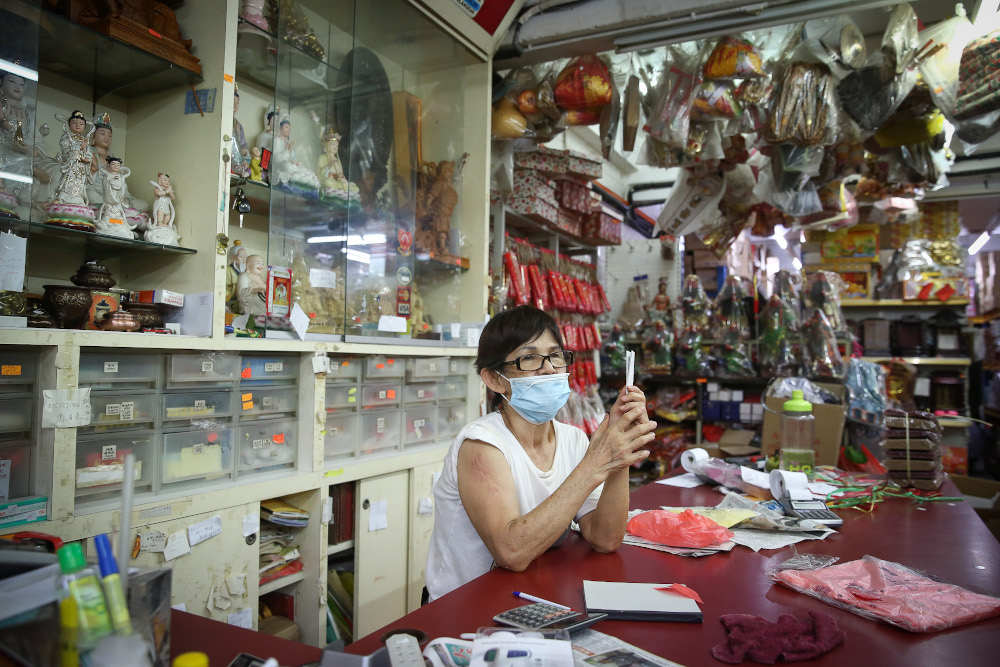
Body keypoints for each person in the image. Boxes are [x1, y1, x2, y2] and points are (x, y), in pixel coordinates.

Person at [425, 306, 655, 602]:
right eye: (530, 358)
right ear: (495, 379)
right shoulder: (482, 444)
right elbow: (511, 552)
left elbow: (605, 538)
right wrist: (596, 463)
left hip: (532, 599)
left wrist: (619, 450)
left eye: (556, 355)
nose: (549, 369)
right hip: (464, 606)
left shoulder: (572, 438)